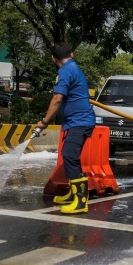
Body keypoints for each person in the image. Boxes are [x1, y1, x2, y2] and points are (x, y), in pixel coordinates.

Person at [35, 42, 95, 214]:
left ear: (53, 58)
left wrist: (45, 121)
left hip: (80, 121)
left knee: (69, 155)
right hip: (77, 121)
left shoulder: (66, 71)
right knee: (70, 156)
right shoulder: (73, 67)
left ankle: (81, 201)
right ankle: (73, 194)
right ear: (72, 54)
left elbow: (57, 98)